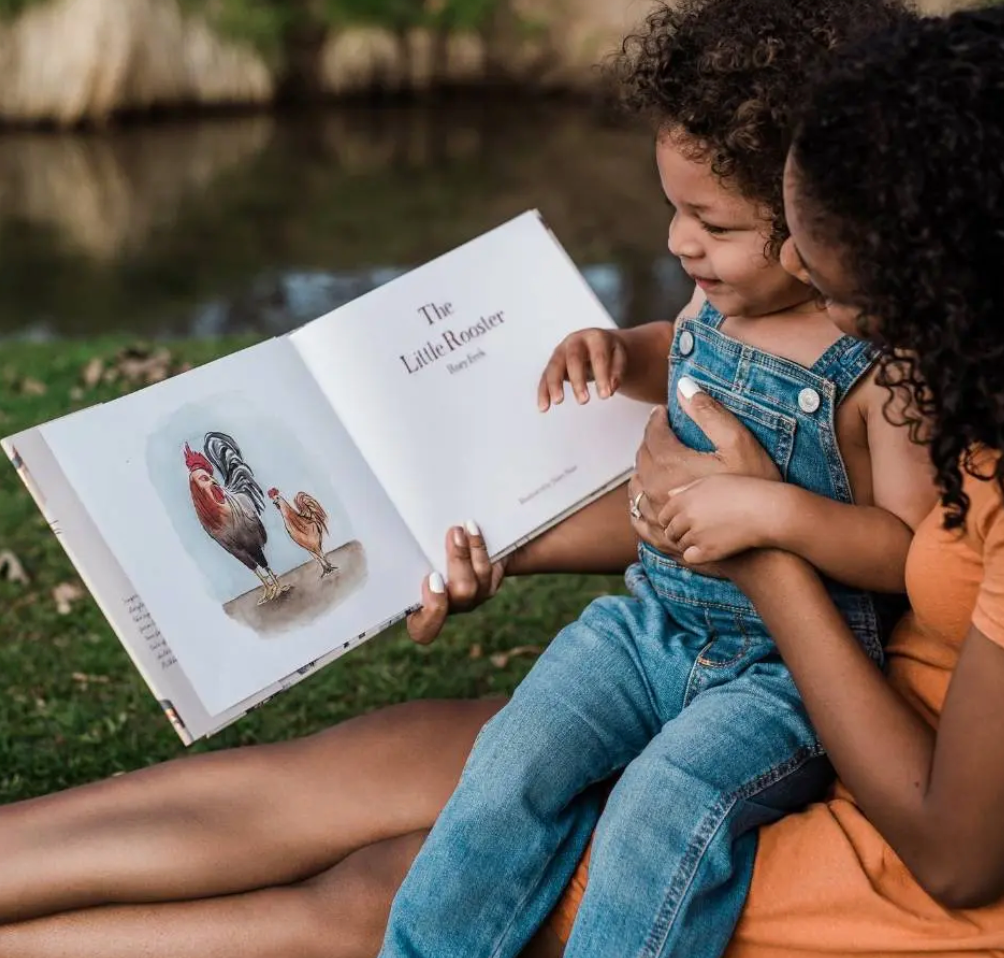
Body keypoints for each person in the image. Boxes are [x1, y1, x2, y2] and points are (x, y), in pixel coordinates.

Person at [377, 2, 933, 956]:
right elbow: (673, 352)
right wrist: (614, 351)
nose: (680, 242)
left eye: (711, 223)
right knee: (517, 755)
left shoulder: (878, 367)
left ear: (818, 213)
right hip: (650, 624)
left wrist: (775, 514)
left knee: (661, 810)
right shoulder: (714, 297)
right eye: (673, 209)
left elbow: (907, 554)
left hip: (787, 677)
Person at [541, 5, 1004, 956]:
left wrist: (767, 541)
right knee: (483, 791)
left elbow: (959, 855)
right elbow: (680, 391)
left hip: (877, 773)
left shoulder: (899, 386)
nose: (797, 270)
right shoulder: (957, 386)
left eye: (840, 289)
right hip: (782, 682)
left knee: (625, 838)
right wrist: (514, 550)